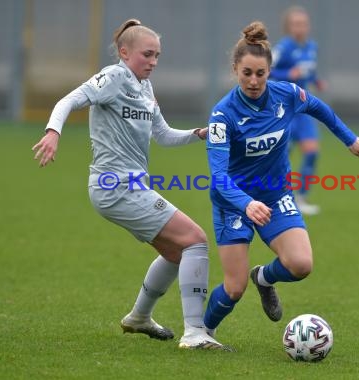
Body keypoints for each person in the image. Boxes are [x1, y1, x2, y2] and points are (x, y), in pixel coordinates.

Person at [31, 18, 226, 350]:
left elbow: (162, 135)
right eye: (147, 55)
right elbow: (68, 101)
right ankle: (195, 334)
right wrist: (53, 131)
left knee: (178, 251)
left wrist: (198, 134)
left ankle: (139, 318)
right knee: (195, 240)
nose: (153, 62)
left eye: (157, 56)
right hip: (114, 186)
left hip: (129, 187)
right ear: (124, 52)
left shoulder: (145, 87)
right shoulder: (113, 77)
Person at [202, 21, 359, 341]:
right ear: (235, 70)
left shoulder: (286, 94)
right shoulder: (222, 114)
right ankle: (203, 332)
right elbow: (218, 176)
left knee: (300, 264)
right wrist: (246, 203)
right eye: (247, 73)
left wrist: (350, 139)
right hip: (234, 200)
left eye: (260, 73)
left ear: (270, 71)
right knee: (234, 288)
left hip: (274, 195)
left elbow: (318, 107)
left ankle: (265, 279)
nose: (254, 81)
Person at [269, 6, 326, 215]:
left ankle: (301, 198)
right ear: (288, 27)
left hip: (303, 109)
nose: (300, 28)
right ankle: (279, 197)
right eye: (296, 24)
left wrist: (316, 81)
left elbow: (308, 71)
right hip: (284, 109)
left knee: (312, 152)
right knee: (281, 156)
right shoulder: (283, 47)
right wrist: (287, 73)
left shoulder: (311, 46)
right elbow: (266, 70)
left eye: (303, 24)